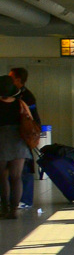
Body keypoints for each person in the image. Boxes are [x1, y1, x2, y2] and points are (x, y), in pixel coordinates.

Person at [0, 73, 35, 218]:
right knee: (16, 177)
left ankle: (4, 208)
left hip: (1, 140)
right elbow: (30, 120)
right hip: (18, 142)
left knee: (2, 177)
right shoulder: (20, 103)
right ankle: (14, 210)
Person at [9, 67, 42, 206]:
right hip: (17, 135)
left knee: (25, 167)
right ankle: (14, 198)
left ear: (18, 79)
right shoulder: (13, 94)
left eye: (11, 77)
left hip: (25, 134)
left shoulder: (26, 96)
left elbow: (32, 117)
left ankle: (25, 199)